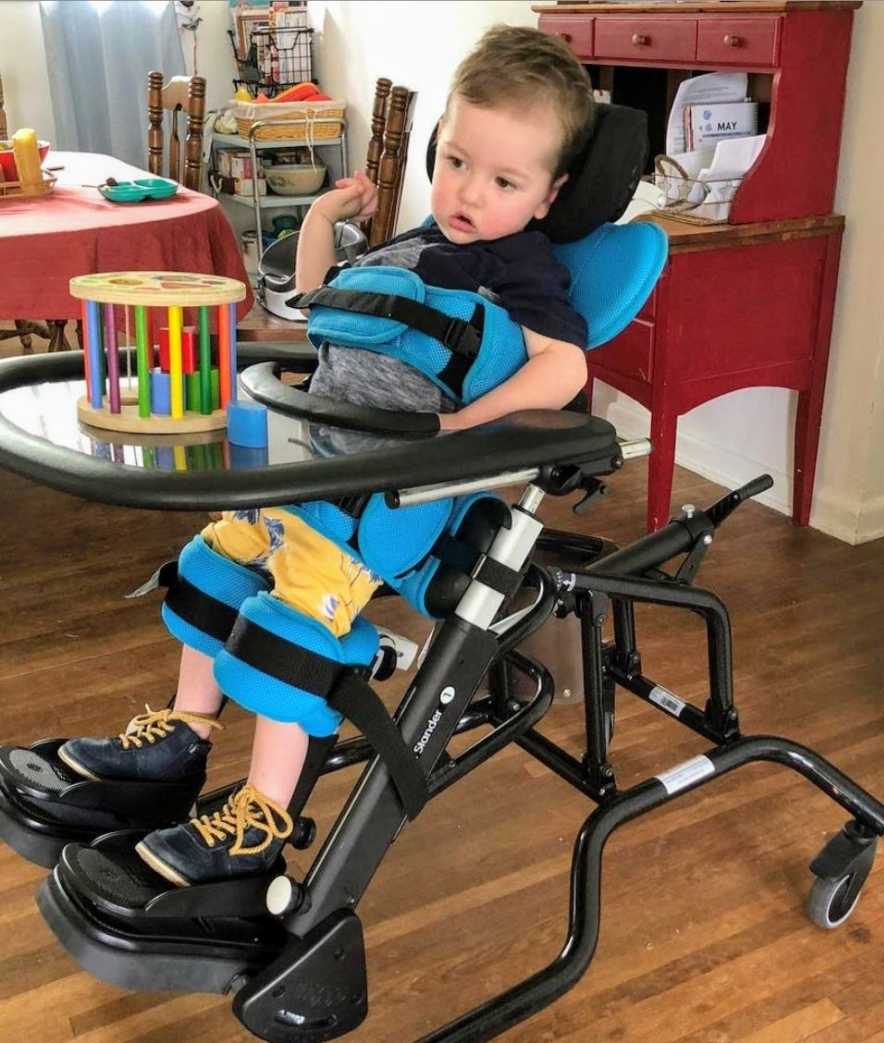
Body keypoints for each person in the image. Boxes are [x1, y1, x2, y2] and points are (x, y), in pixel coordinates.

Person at [56, 25, 596, 888]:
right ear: (436, 144)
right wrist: (317, 217)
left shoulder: (517, 271)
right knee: (212, 563)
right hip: (320, 473)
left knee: (287, 624)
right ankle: (185, 736)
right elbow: (315, 309)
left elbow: (564, 367)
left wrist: (462, 431)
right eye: (455, 161)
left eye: (503, 181)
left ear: (547, 194)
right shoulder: (422, 245)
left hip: (386, 504)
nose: (467, 191)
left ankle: (261, 821)